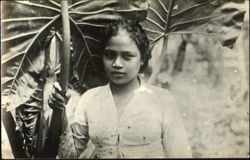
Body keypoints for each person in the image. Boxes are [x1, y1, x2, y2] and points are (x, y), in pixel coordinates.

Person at [48, 21, 193, 158]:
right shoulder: (90, 99)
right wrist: (61, 113)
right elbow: (70, 156)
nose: (117, 64)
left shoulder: (162, 100)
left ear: (142, 58)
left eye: (127, 56)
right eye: (110, 55)